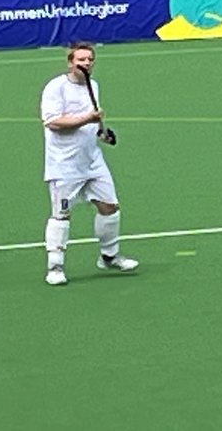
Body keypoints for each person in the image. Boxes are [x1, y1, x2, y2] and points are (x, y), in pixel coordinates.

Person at [41, 43, 139, 286]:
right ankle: (55, 266)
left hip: (93, 161)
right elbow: (53, 122)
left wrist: (102, 133)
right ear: (70, 62)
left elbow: (91, 122)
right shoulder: (56, 88)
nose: (85, 64)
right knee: (61, 215)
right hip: (64, 165)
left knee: (110, 207)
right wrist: (88, 118)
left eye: (89, 60)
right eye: (81, 59)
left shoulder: (93, 86)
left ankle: (109, 256)